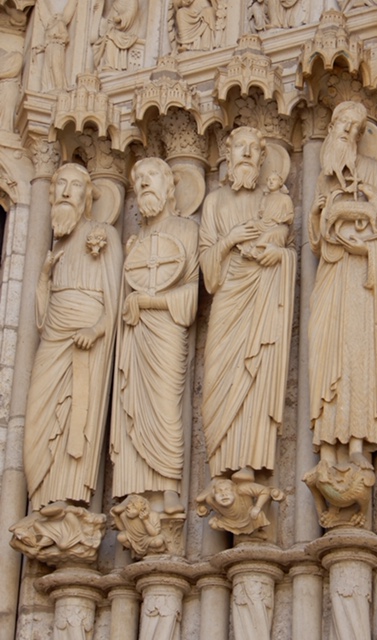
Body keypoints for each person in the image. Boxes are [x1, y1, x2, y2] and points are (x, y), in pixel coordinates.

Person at [24, 164, 123, 511]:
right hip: (53, 338)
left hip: (86, 341)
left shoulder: (104, 234)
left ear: (88, 197)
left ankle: (67, 497)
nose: (66, 192)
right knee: (38, 416)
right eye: (61, 185)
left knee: (76, 413)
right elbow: (40, 318)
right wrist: (44, 277)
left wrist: (95, 329)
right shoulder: (57, 245)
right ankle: (41, 496)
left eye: (76, 185)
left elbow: (114, 298)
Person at [200, 126, 296, 482]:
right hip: (228, 296)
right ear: (227, 156)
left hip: (261, 295)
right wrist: (229, 240)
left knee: (256, 371)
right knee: (218, 373)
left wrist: (278, 255)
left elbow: (285, 243)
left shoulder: (273, 200)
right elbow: (205, 264)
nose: (245, 153)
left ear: (262, 158)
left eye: (253, 148)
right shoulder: (214, 202)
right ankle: (220, 462)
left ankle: (248, 462)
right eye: (239, 147)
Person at [111, 158, 199, 514]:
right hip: (136, 333)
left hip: (166, 329)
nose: (144, 183)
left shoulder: (187, 230)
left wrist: (149, 301)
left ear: (170, 185)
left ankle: (169, 484)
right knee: (131, 401)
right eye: (139, 179)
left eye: (152, 176)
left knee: (165, 403)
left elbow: (192, 293)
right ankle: (133, 487)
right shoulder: (135, 242)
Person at [308, 101, 377, 470]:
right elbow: (315, 242)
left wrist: (364, 244)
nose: (346, 130)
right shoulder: (323, 179)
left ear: (360, 136)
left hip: (359, 279)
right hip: (330, 275)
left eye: (354, 127)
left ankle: (357, 442)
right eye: (341, 123)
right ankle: (326, 447)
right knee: (324, 354)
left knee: (357, 354)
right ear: (330, 129)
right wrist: (317, 215)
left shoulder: (373, 171)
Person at [239, 170, 294, 260]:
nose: (271, 182)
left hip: (278, 226)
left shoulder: (285, 198)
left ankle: (254, 251)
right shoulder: (265, 198)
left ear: (280, 182)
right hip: (264, 223)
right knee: (250, 224)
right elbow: (262, 213)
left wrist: (280, 220)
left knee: (268, 234)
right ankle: (244, 247)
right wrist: (262, 213)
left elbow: (290, 217)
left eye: (274, 179)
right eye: (269, 180)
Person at [93, 0, 139, 71]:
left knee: (110, 37)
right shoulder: (116, 3)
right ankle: (106, 64)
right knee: (100, 42)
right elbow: (108, 20)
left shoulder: (132, 1)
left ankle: (110, 65)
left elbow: (131, 14)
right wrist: (97, 13)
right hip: (113, 30)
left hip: (126, 31)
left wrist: (120, 18)